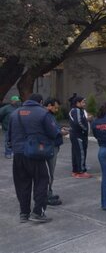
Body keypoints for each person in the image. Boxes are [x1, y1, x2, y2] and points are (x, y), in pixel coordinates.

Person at [9, 94, 60, 223]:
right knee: (42, 181)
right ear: (41, 101)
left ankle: (24, 213)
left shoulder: (14, 114)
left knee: (22, 184)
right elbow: (54, 133)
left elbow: (9, 135)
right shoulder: (43, 113)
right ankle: (38, 212)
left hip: (18, 154)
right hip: (35, 154)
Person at [44, 98, 68, 206]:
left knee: (50, 173)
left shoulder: (50, 116)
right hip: (50, 147)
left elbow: (54, 128)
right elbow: (52, 132)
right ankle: (46, 196)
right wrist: (61, 132)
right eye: (56, 107)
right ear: (49, 105)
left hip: (53, 146)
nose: (57, 109)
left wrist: (60, 128)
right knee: (49, 173)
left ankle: (49, 193)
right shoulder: (46, 116)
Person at [69, 96, 92, 178]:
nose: (84, 104)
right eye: (82, 102)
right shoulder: (77, 110)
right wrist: (85, 128)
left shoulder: (76, 110)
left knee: (76, 153)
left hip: (76, 135)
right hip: (79, 135)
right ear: (77, 103)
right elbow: (79, 122)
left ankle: (75, 170)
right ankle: (81, 171)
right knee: (81, 153)